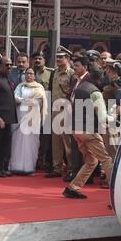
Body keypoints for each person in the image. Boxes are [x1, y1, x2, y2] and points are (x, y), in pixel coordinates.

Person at [63, 66, 115, 199]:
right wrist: (114, 117)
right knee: (106, 159)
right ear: (99, 79)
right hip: (89, 131)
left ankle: (73, 187)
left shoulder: (79, 88)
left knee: (92, 161)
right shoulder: (95, 93)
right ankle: (116, 191)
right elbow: (103, 118)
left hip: (76, 131)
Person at [9, 68, 47, 175]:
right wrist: (24, 100)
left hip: (32, 118)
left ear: (35, 75)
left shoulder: (39, 88)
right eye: (27, 73)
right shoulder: (20, 86)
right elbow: (15, 97)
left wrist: (24, 101)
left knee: (31, 142)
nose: (29, 75)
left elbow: (38, 101)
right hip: (20, 117)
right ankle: (16, 166)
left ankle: (29, 167)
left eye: (31, 73)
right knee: (17, 141)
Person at [46, 46, 75, 178]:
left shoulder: (72, 73)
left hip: (67, 109)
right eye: (57, 57)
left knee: (67, 141)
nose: (58, 59)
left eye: (61, 57)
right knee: (55, 141)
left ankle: (71, 168)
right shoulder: (54, 72)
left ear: (67, 58)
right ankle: (56, 167)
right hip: (55, 109)